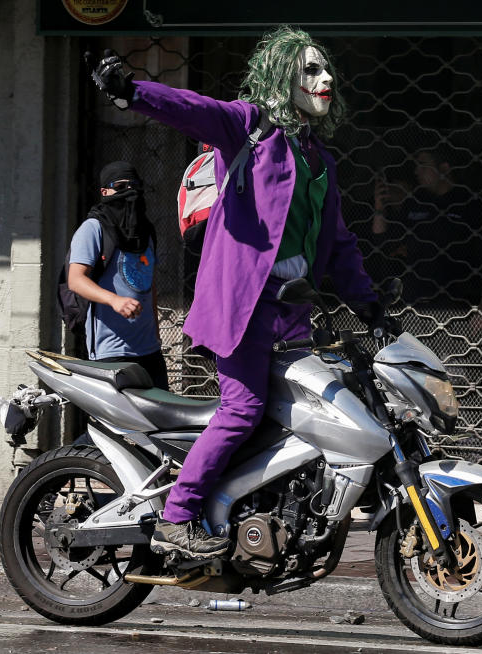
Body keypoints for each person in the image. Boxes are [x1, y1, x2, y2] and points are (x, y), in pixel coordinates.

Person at [89, 27, 385, 560]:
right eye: (309, 69)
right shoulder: (251, 128)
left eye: (326, 71)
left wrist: (369, 304)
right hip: (243, 307)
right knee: (243, 409)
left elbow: (339, 240)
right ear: (280, 75)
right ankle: (177, 516)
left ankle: (255, 513)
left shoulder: (320, 159)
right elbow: (193, 108)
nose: (324, 79)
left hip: (291, 315)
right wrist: (131, 91)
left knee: (298, 415)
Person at [68, 161, 168, 390]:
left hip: (149, 349)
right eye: (121, 187)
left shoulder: (146, 231)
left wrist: (156, 334)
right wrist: (114, 300)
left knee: (158, 422)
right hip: (111, 351)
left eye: (135, 186)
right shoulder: (92, 228)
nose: (130, 193)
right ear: (105, 192)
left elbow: (150, 283)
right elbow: (75, 279)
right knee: (120, 424)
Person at [371, 147, 482, 316]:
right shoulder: (415, 203)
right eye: (415, 166)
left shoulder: (470, 204)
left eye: (423, 164)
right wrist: (379, 209)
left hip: (457, 305)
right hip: (412, 304)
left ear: (444, 168)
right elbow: (383, 244)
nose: (416, 171)